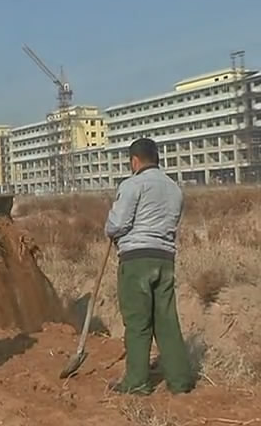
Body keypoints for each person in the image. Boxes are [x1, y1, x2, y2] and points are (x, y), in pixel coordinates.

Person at [104, 137, 194, 396]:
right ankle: (180, 381)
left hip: (136, 260)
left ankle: (136, 382)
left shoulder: (133, 184)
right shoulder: (174, 188)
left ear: (134, 161)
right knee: (167, 321)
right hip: (165, 259)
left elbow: (117, 224)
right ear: (157, 159)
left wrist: (110, 228)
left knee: (138, 322)